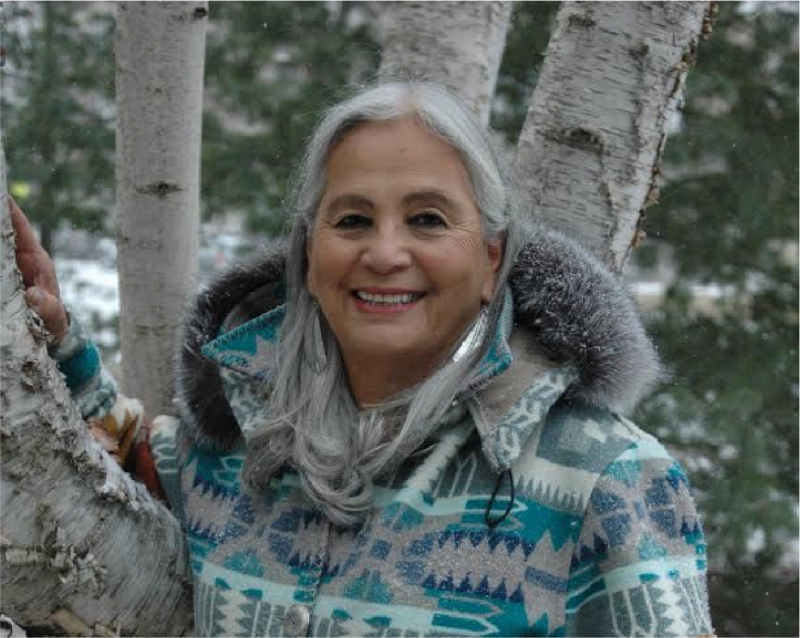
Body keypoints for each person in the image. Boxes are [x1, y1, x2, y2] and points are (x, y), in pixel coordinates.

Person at [12, 82, 714, 638]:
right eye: (351, 220)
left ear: (491, 256)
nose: (383, 253)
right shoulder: (233, 446)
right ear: (310, 252)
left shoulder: (609, 484)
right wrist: (50, 341)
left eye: (428, 219)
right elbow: (100, 491)